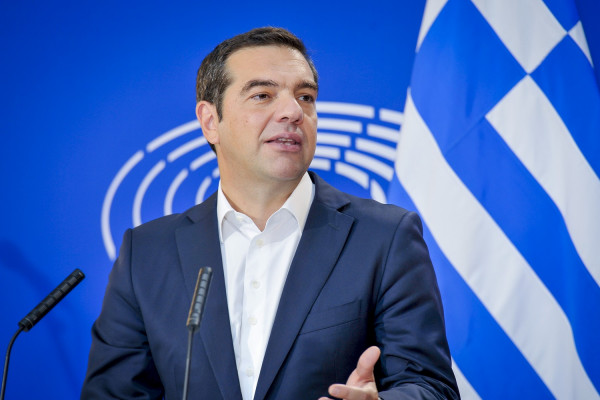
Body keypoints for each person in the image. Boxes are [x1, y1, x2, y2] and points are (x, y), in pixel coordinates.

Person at [81, 27, 459, 400]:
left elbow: (432, 388)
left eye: (305, 97)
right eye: (262, 95)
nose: (293, 112)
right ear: (210, 121)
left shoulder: (384, 237)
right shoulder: (146, 253)